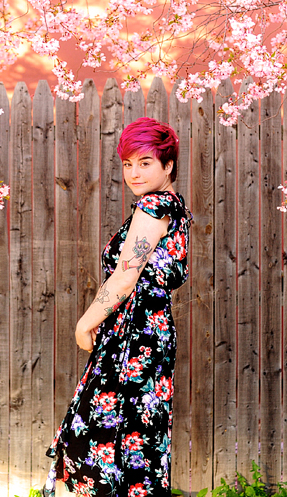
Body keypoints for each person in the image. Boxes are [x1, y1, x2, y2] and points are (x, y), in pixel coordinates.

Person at [43, 116, 192, 497]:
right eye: (128, 164)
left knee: (97, 440)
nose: (134, 173)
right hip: (145, 335)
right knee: (130, 442)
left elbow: (125, 277)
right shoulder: (172, 206)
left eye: (145, 163)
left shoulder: (155, 207)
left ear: (168, 164)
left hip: (135, 340)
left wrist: (83, 324)